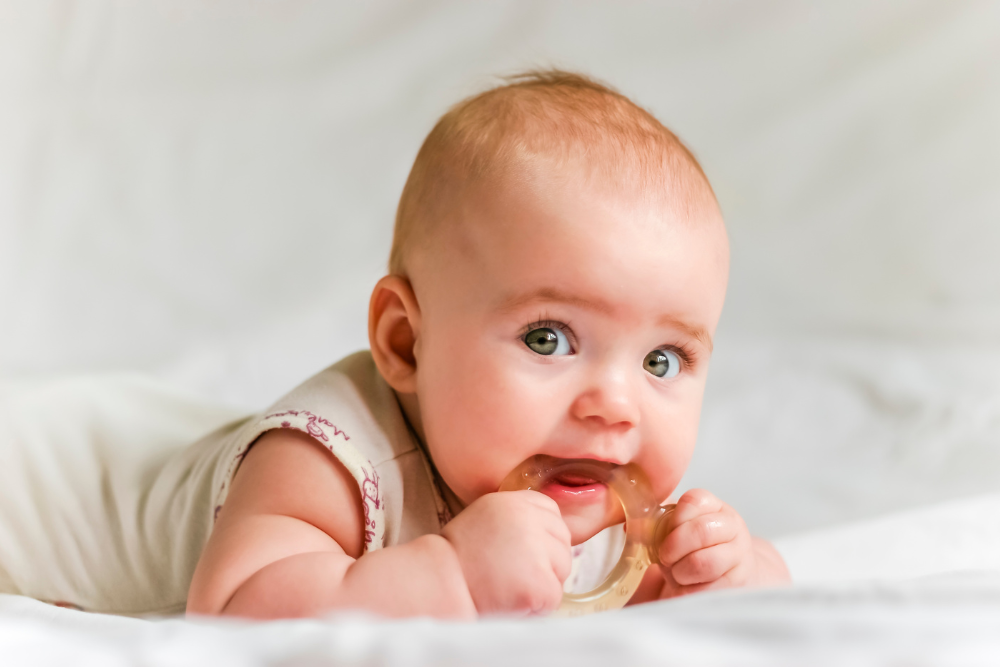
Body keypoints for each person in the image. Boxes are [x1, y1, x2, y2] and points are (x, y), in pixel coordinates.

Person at [180, 69, 791, 619]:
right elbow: (236, 608)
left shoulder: (599, 500)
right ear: (405, 342)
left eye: (662, 360)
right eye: (548, 339)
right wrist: (453, 571)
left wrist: (729, 575)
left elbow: (757, 598)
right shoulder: (328, 460)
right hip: (95, 480)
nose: (616, 405)